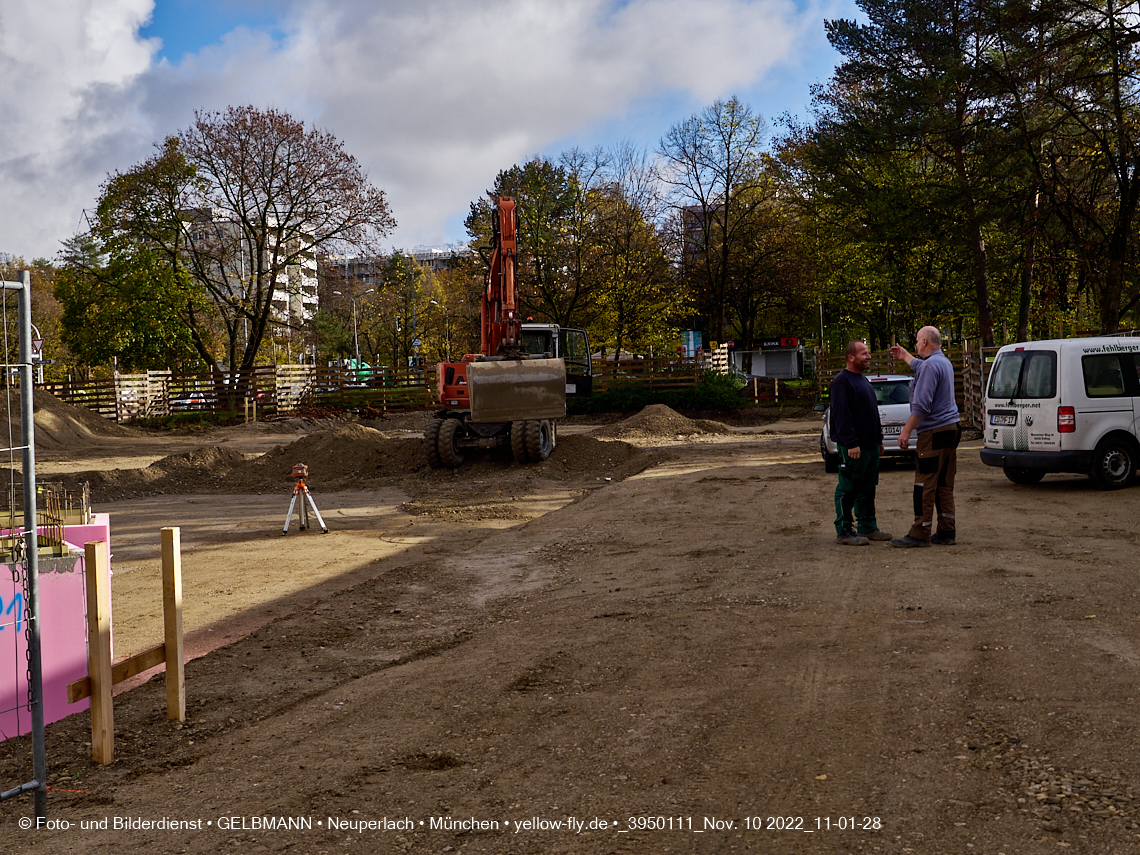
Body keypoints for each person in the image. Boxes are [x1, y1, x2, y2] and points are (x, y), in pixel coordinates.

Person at [888, 326, 961, 547]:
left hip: (934, 433)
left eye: (918, 341)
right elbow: (922, 366)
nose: (916, 344)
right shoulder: (943, 362)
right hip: (952, 428)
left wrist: (907, 430)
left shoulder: (931, 366)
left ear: (925, 343)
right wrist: (905, 356)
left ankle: (920, 532)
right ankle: (947, 530)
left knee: (924, 483)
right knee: (944, 483)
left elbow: (921, 405)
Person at [829, 340, 892, 546]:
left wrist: (879, 440)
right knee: (848, 487)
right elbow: (841, 415)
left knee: (867, 487)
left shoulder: (863, 381)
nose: (869, 357)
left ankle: (867, 526)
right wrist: (850, 443)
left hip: (870, 445)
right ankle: (844, 530)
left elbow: (871, 413)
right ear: (851, 357)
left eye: (868, 353)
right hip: (854, 447)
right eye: (864, 353)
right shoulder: (842, 382)